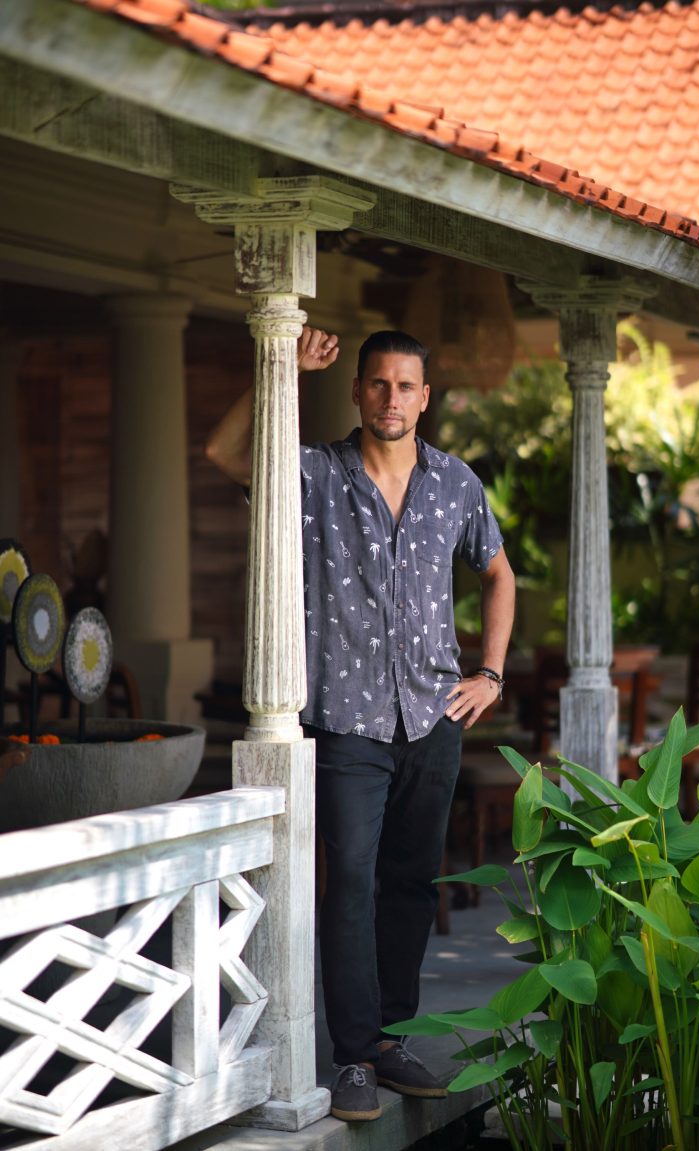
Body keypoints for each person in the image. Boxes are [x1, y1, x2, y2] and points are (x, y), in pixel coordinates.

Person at [206, 326, 516, 1122]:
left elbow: (498, 572)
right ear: (356, 391)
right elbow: (223, 453)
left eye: (406, 385)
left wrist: (490, 673)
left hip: (433, 717)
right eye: (378, 382)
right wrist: (279, 364)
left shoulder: (455, 484)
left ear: (425, 396)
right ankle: (351, 1056)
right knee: (348, 881)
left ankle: (390, 1039)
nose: (391, 397)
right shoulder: (313, 473)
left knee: (411, 883)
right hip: (347, 720)